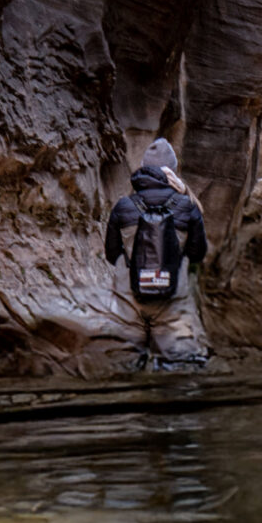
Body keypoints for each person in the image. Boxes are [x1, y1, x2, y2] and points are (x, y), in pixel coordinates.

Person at [104, 136, 210, 367]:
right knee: (180, 369)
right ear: (172, 170)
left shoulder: (123, 206)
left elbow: (112, 253)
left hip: (130, 299)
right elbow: (198, 253)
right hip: (173, 298)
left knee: (123, 369)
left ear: (143, 168)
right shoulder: (187, 206)